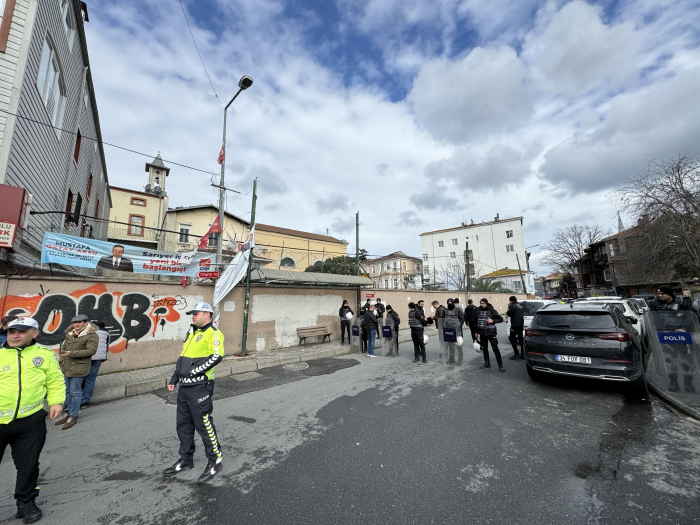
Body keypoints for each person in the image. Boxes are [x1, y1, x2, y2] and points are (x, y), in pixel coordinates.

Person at [1, 317, 65, 524]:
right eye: (12, 331)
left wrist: (56, 402)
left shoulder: (44, 355)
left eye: (21, 331)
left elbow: (54, 380)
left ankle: (26, 502)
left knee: (28, 465)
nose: (15, 335)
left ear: (35, 333)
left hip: (31, 421)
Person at [164, 302, 225, 483]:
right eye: (192, 314)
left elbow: (216, 356)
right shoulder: (192, 332)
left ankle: (215, 460)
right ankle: (186, 459)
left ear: (207, 315)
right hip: (184, 388)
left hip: (200, 386)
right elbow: (183, 358)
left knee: (204, 424)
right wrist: (175, 377)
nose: (193, 316)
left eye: (196, 313)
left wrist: (192, 372)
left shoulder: (213, 333)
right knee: (183, 424)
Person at [649, 286, 698, 393]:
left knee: (687, 361)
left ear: (670, 294)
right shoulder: (655, 304)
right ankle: (673, 383)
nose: (660, 295)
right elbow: (653, 319)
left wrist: (684, 329)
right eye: (658, 294)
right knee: (670, 361)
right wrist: (661, 330)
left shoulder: (681, 304)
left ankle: (688, 383)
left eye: (662, 293)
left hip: (683, 337)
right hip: (665, 336)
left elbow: (692, 318)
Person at [55, 315, 98, 430]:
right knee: (68, 391)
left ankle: (73, 416)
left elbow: (91, 351)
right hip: (67, 366)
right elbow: (64, 348)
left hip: (79, 367)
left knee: (75, 392)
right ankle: (69, 413)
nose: (77, 324)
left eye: (79, 322)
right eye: (75, 323)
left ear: (85, 322)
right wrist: (62, 358)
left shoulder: (91, 335)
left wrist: (71, 353)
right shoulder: (70, 333)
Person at [80, 321, 109, 408]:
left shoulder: (87, 331)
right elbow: (106, 345)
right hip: (99, 358)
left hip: (86, 356)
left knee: (80, 377)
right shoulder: (106, 332)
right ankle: (85, 401)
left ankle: (75, 400)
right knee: (90, 380)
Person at [477, 298, 504, 372]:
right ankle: (487, 363)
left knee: (495, 348)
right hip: (482, 332)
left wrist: (493, 320)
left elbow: (501, 319)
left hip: (491, 332)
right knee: (484, 348)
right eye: (481, 303)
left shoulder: (491, 310)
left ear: (486, 303)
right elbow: (476, 321)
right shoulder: (478, 310)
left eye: (483, 303)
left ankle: (500, 365)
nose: (481, 305)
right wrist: (475, 332)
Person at [507, 296, 525, 360]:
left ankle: (516, 353)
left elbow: (508, 314)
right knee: (521, 339)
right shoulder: (520, 305)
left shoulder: (513, 306)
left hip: (515, 325)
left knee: (512, 339)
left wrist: (509, 306)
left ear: (511, 301)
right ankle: (523, 354)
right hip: (520, 324)